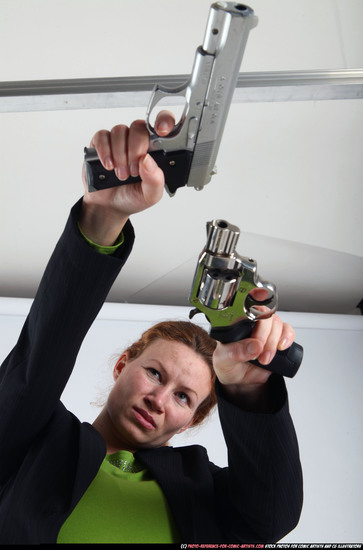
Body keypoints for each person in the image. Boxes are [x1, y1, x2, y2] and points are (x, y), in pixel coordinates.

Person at [0, 112, 303, 544]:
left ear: (190, 421)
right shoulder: (35, 445)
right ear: (123, 363)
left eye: (183, 396)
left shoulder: (202, 493)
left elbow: (271, 519)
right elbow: (34, 370)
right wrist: (102, 219)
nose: (159, 400)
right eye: (155, 374)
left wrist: (251, 389)